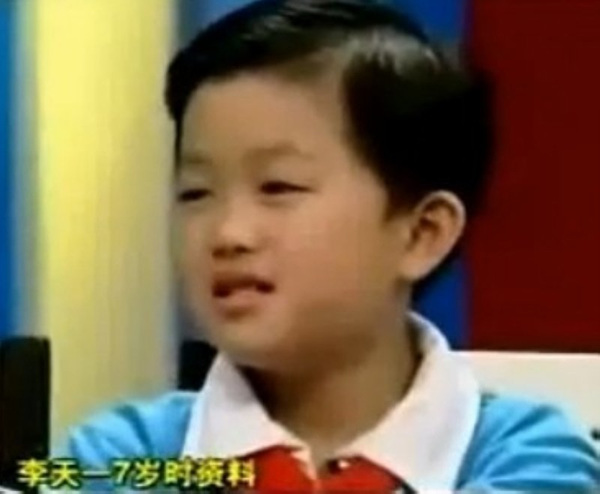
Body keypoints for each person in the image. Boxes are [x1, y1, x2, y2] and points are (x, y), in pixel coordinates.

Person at [50, 0, 600, 491]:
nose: (228, 233)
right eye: (196, 193)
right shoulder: (119, 458)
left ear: (422, 233)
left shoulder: (529, 455)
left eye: (278, 187)